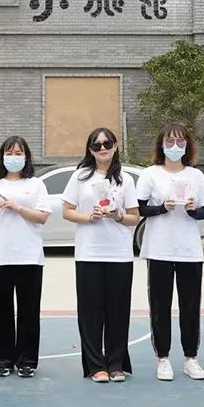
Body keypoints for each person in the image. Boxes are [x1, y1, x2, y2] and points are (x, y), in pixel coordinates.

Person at [61, 128, 139, 383]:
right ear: (90, 150)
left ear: (115, 146)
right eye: (97, 145)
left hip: (119, 254)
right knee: (90, 312)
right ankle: (96, 366)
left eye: (107, 144)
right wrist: (89, 217)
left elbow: (134, 217)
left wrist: (118, 215)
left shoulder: (125, 179)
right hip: (89, 253)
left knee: (118, 311)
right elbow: (67, 211)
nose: (103, 148)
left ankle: (116, 363)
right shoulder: (80, 177)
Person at [136, 123, 204, 381]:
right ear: (161, 145)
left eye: (180, 142)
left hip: (189, 251)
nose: (175, 146)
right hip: (159, 250)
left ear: (188, 145)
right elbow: (139, 208)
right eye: (170, 141)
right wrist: (161, 208)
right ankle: (163, 358)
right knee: (160, 306)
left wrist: (192, 211)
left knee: (190, 306)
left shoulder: (196, 176)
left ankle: (191, 358)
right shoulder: (150, 174)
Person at [0, 136, 51, 378]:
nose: (13, 157)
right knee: (1, 309)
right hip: (0, 254)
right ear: (2, 156)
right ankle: (2, 359)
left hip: (29, 254)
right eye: (9, 153)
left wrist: (17, 207)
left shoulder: (35, 184)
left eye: (18, 153)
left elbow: (42, 217)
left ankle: (27, 360)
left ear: (26, 157)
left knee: (29, 310)